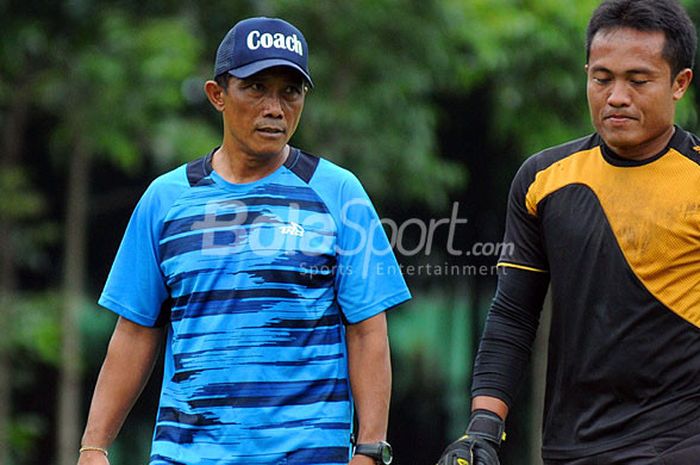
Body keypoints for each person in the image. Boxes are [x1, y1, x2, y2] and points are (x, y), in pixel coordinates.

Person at [77, 17, 410, 465]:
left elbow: (368, 331)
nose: (275, 107)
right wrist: (93, 446)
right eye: (256, 88)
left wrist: (369, 450)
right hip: (186, 456)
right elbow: (135, 330)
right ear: (218, 95)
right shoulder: (167, 199)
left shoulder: (338, 192)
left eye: (290, 91)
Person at [437, 0, 700, 464]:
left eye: (638, 80)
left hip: (680, 439)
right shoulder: (543, 178)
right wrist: (482, 428)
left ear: (680, 83)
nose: (616, 96)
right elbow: (514, 314)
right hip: (571, 444)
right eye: (602, 79)